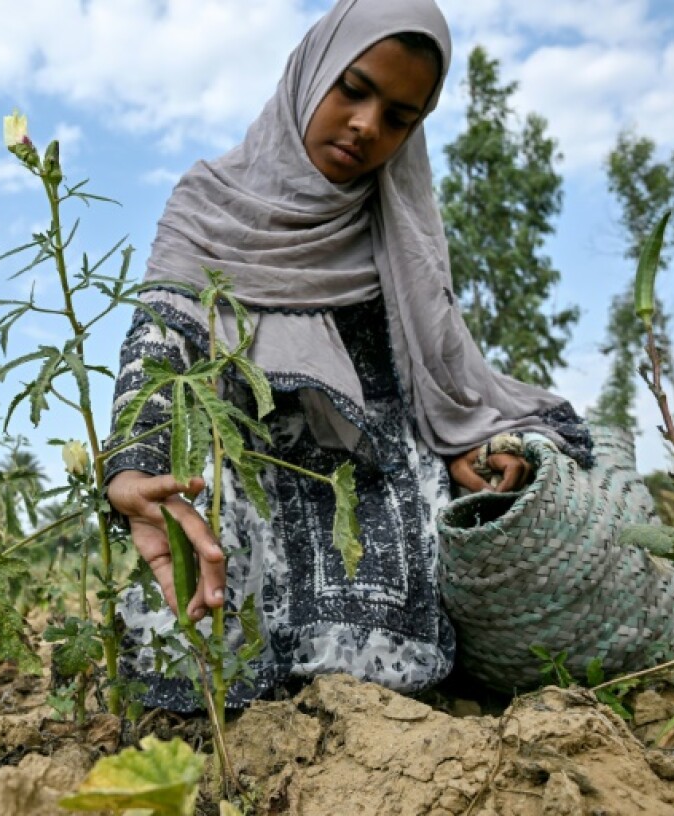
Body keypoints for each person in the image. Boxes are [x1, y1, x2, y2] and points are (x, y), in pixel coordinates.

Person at [104, 0, 595, 711]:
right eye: (353, 90)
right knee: (195, 638)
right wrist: (133, 465)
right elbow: (160, 341)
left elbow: (435, 369)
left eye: (399, 116)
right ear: (312, 75)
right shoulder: (210, 201)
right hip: (250, 477)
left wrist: (467, 442)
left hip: (380, 485)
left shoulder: (400, 224)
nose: (367, 126)